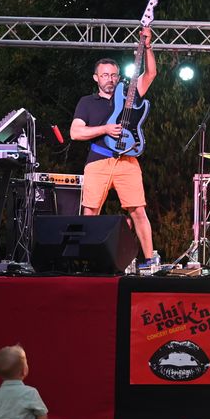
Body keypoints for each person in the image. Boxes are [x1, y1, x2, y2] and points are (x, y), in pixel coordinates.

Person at [70, 28, 157, 267]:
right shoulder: (87, 102)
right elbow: (75, 132)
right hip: (98, 160)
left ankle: (149, 260)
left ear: (118, 77)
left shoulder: (129, 95)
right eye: (105, 75)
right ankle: (87, 261)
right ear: (96, 78)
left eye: (113, 75)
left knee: (138, 211)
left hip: (127, 161)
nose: (109, 78)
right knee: (90, 211)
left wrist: (148, 47)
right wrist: (104, 129)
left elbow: (150, 74)